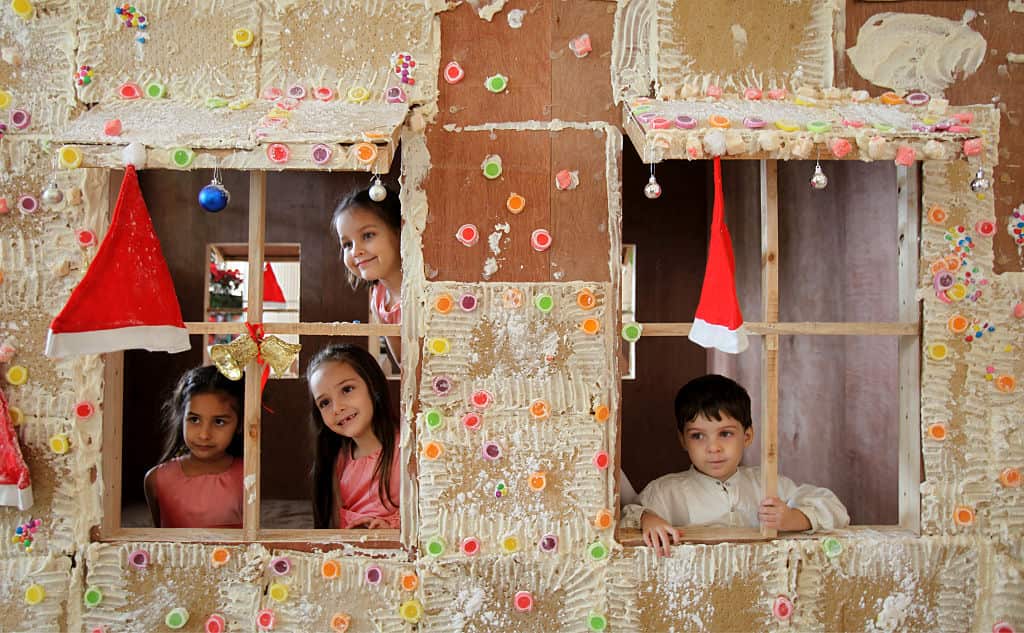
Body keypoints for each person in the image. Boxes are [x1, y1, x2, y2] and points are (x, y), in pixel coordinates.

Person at [627, 374, 849, 556]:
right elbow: (625, 519)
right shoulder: (665, 491)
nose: (713, 448)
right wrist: (647, 519)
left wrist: (793, 518)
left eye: (725, 433)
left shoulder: (769, 485)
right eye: (698, 436)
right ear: (683, 440)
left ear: (748, 435)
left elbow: (835, 509)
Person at [308, 343, 401, 529]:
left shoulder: (406, 451)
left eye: (347, 389)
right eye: (325, 402)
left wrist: (388, 529)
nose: (337, 408)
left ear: (373, 386)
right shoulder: (337, 461)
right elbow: (335, 528)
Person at [144, 366, 244, 528]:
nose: (204, 435)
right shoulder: (157, 480)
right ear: (182, 418)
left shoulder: (249, 477)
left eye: (219, 422)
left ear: (239, 425)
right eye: (195, 420)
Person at [331, 187, 402, 364]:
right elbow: (403, 361)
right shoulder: (378, 299)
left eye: (368, 235)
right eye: (347, 244)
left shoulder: (425, 289)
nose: (356, 251)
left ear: (400, 232)